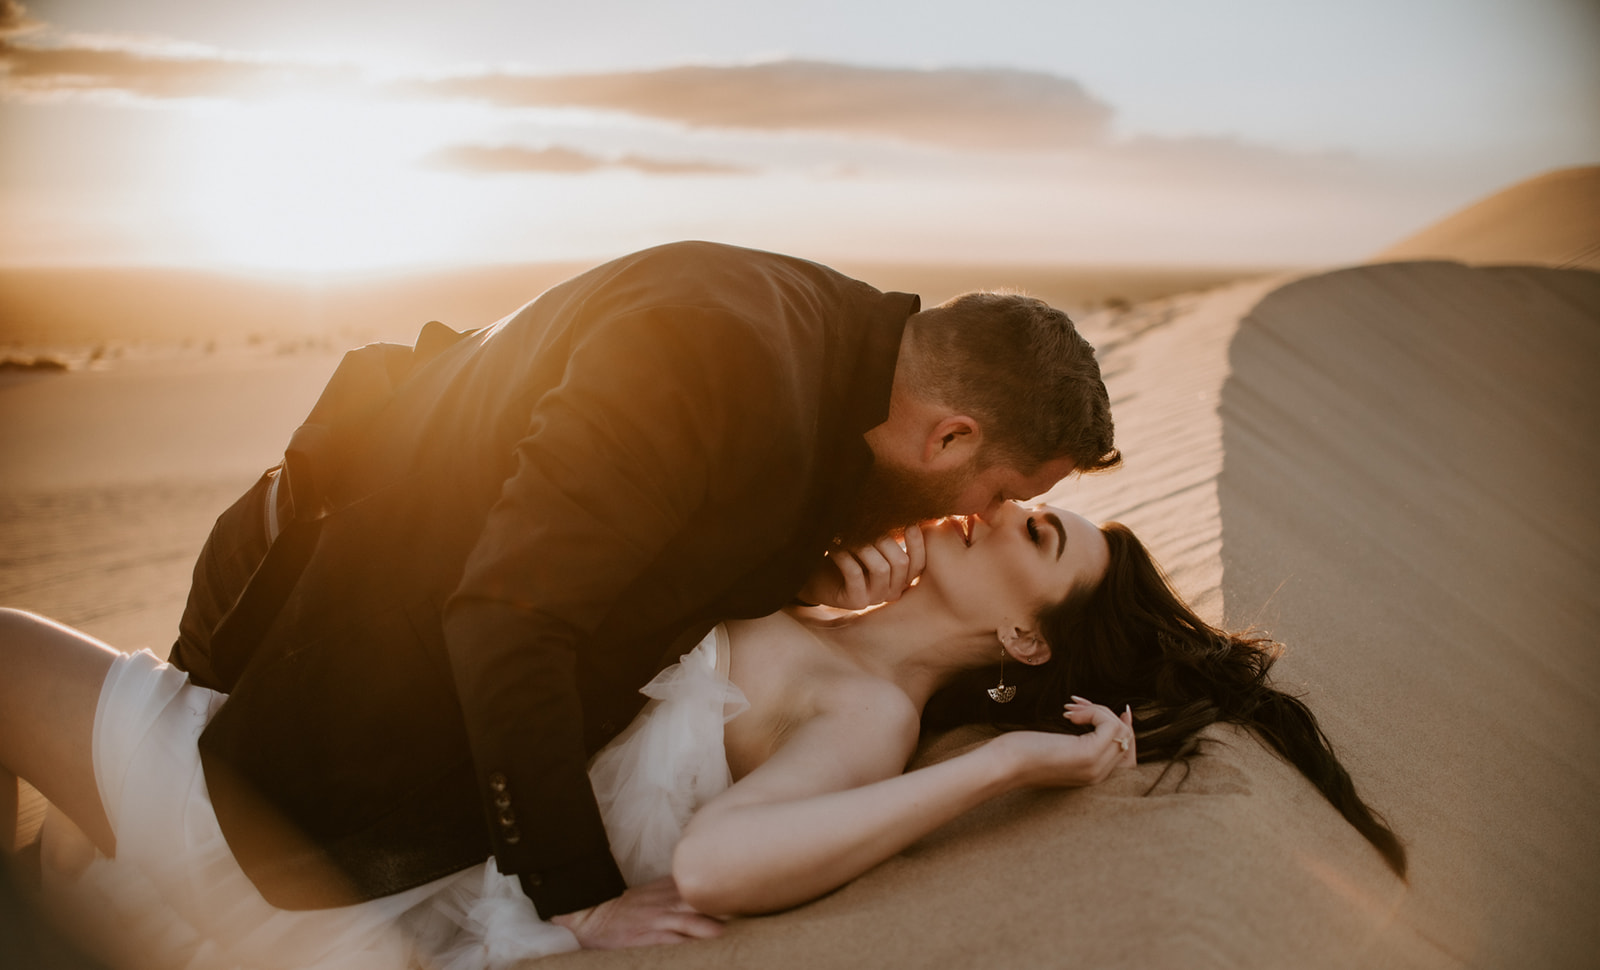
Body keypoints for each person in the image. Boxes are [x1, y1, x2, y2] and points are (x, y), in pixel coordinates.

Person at [152, 241, 1122, 947]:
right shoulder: (706, 355)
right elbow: (510, 613)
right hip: (302, 596)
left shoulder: (837, 344)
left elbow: (671, 526)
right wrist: (574, 892)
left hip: (390, 646)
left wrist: (800, 571)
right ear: (950, 436)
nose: (977, 516)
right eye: (1004, 494)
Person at [0, 502, 1404, 969]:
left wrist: (1006, 761)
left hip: (296, 846)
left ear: (1031, 639)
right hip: (327, 773)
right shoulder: (828, 617)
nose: (1001, 504)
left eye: (1039, 530)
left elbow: (724, 863)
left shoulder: (868, 715)